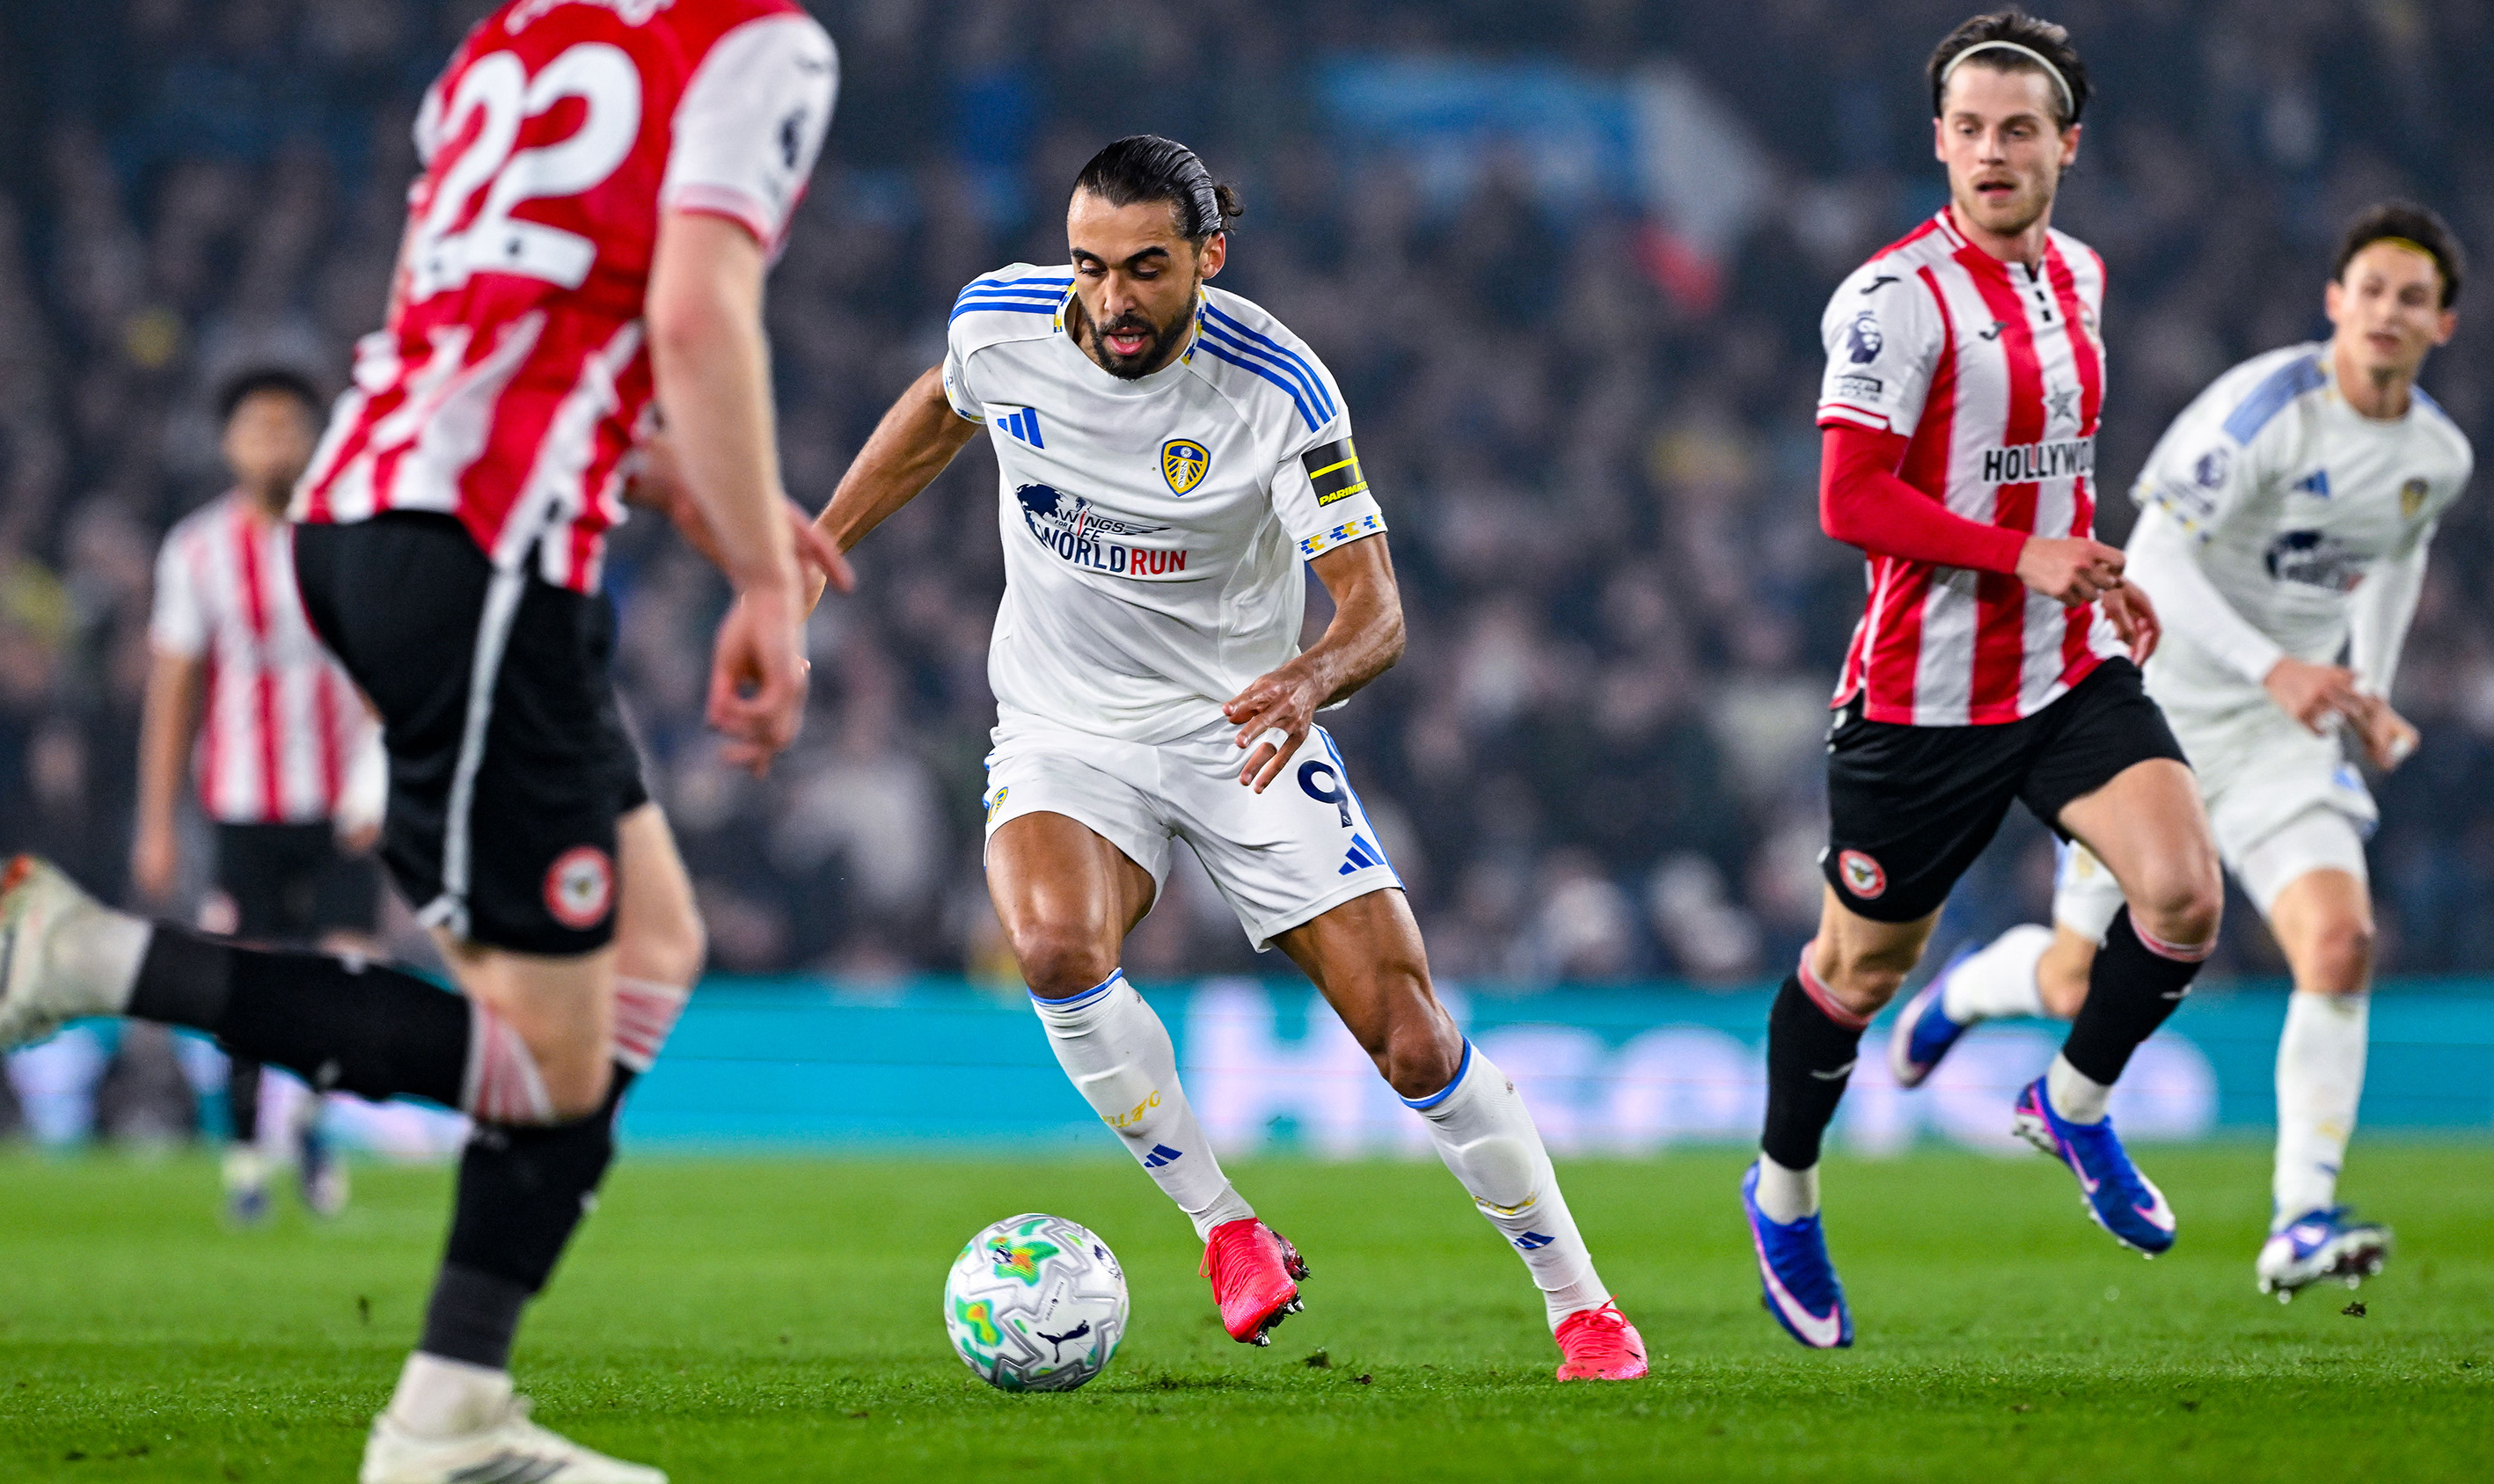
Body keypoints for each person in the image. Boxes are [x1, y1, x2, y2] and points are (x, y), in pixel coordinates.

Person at [0, 2, 848, 1480]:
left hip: (402, 526)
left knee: (653, 951)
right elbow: (696, 316)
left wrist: (693, 493)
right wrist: (768, 582)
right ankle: (84, 958)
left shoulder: (510, 42)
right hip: (481, 559)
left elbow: (486, 335)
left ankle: (456, 1402)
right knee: (550, 1069)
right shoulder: (756, 45)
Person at [804, 135, 1647, 1380]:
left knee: (1410, 1037)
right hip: (1065, 724)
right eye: (1091, 266)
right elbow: (940, 410)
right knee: (1051, 948)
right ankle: (1225, 1227)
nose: (1110, 300)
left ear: (1208, 256)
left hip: (1242, 728)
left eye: (1145, 269)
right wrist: (813, 552)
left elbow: (1377, 613)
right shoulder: (1000, 322)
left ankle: (1583, 1304)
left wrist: (1307, 679)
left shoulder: (1280, 391)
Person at [1744, 10, 2227, 1350]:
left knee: (2183, 892)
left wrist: (2095, 573)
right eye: (1969, 129)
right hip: (1921, 700)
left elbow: (2049, 466)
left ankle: (2067, 1106)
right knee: (1858, 966)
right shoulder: (1894, 299)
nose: (1993, 151)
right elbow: (1851, 498)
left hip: (2068, 670)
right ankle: (1783, 1187)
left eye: (2020, 129)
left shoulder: (2082, 272)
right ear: (1940, 144)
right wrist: (2030, 551)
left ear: (2068, 144)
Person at [1891, 202, 2471, 1301]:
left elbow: (2397, 548)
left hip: (2286, 735)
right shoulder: (2263, 410)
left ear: (2443, 324)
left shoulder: (2435, 455)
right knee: (2075, 978)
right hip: (2152, 715)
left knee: (2341, 944)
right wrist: (2278, 667)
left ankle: (2301, 1214)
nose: (2389, 313)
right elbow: (2155, 556)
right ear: (2336, 302)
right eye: (2373, 291)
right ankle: (1970, 990)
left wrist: (2371, 691)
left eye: (2415, 299)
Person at [136, 367, 385, 1224]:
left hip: (342, 800)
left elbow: (381, 671)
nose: (273, 441)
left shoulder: (351, 535)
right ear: (227, 443)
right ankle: (246, 1158)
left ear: (314, 439)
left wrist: (385, 779)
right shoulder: (196, 550)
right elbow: (173, 691)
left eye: (288, 425)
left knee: (347, 976)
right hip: (242, 808)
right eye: (257, 426)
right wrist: (156, 824)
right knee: (245, 983)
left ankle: (309, 1120)